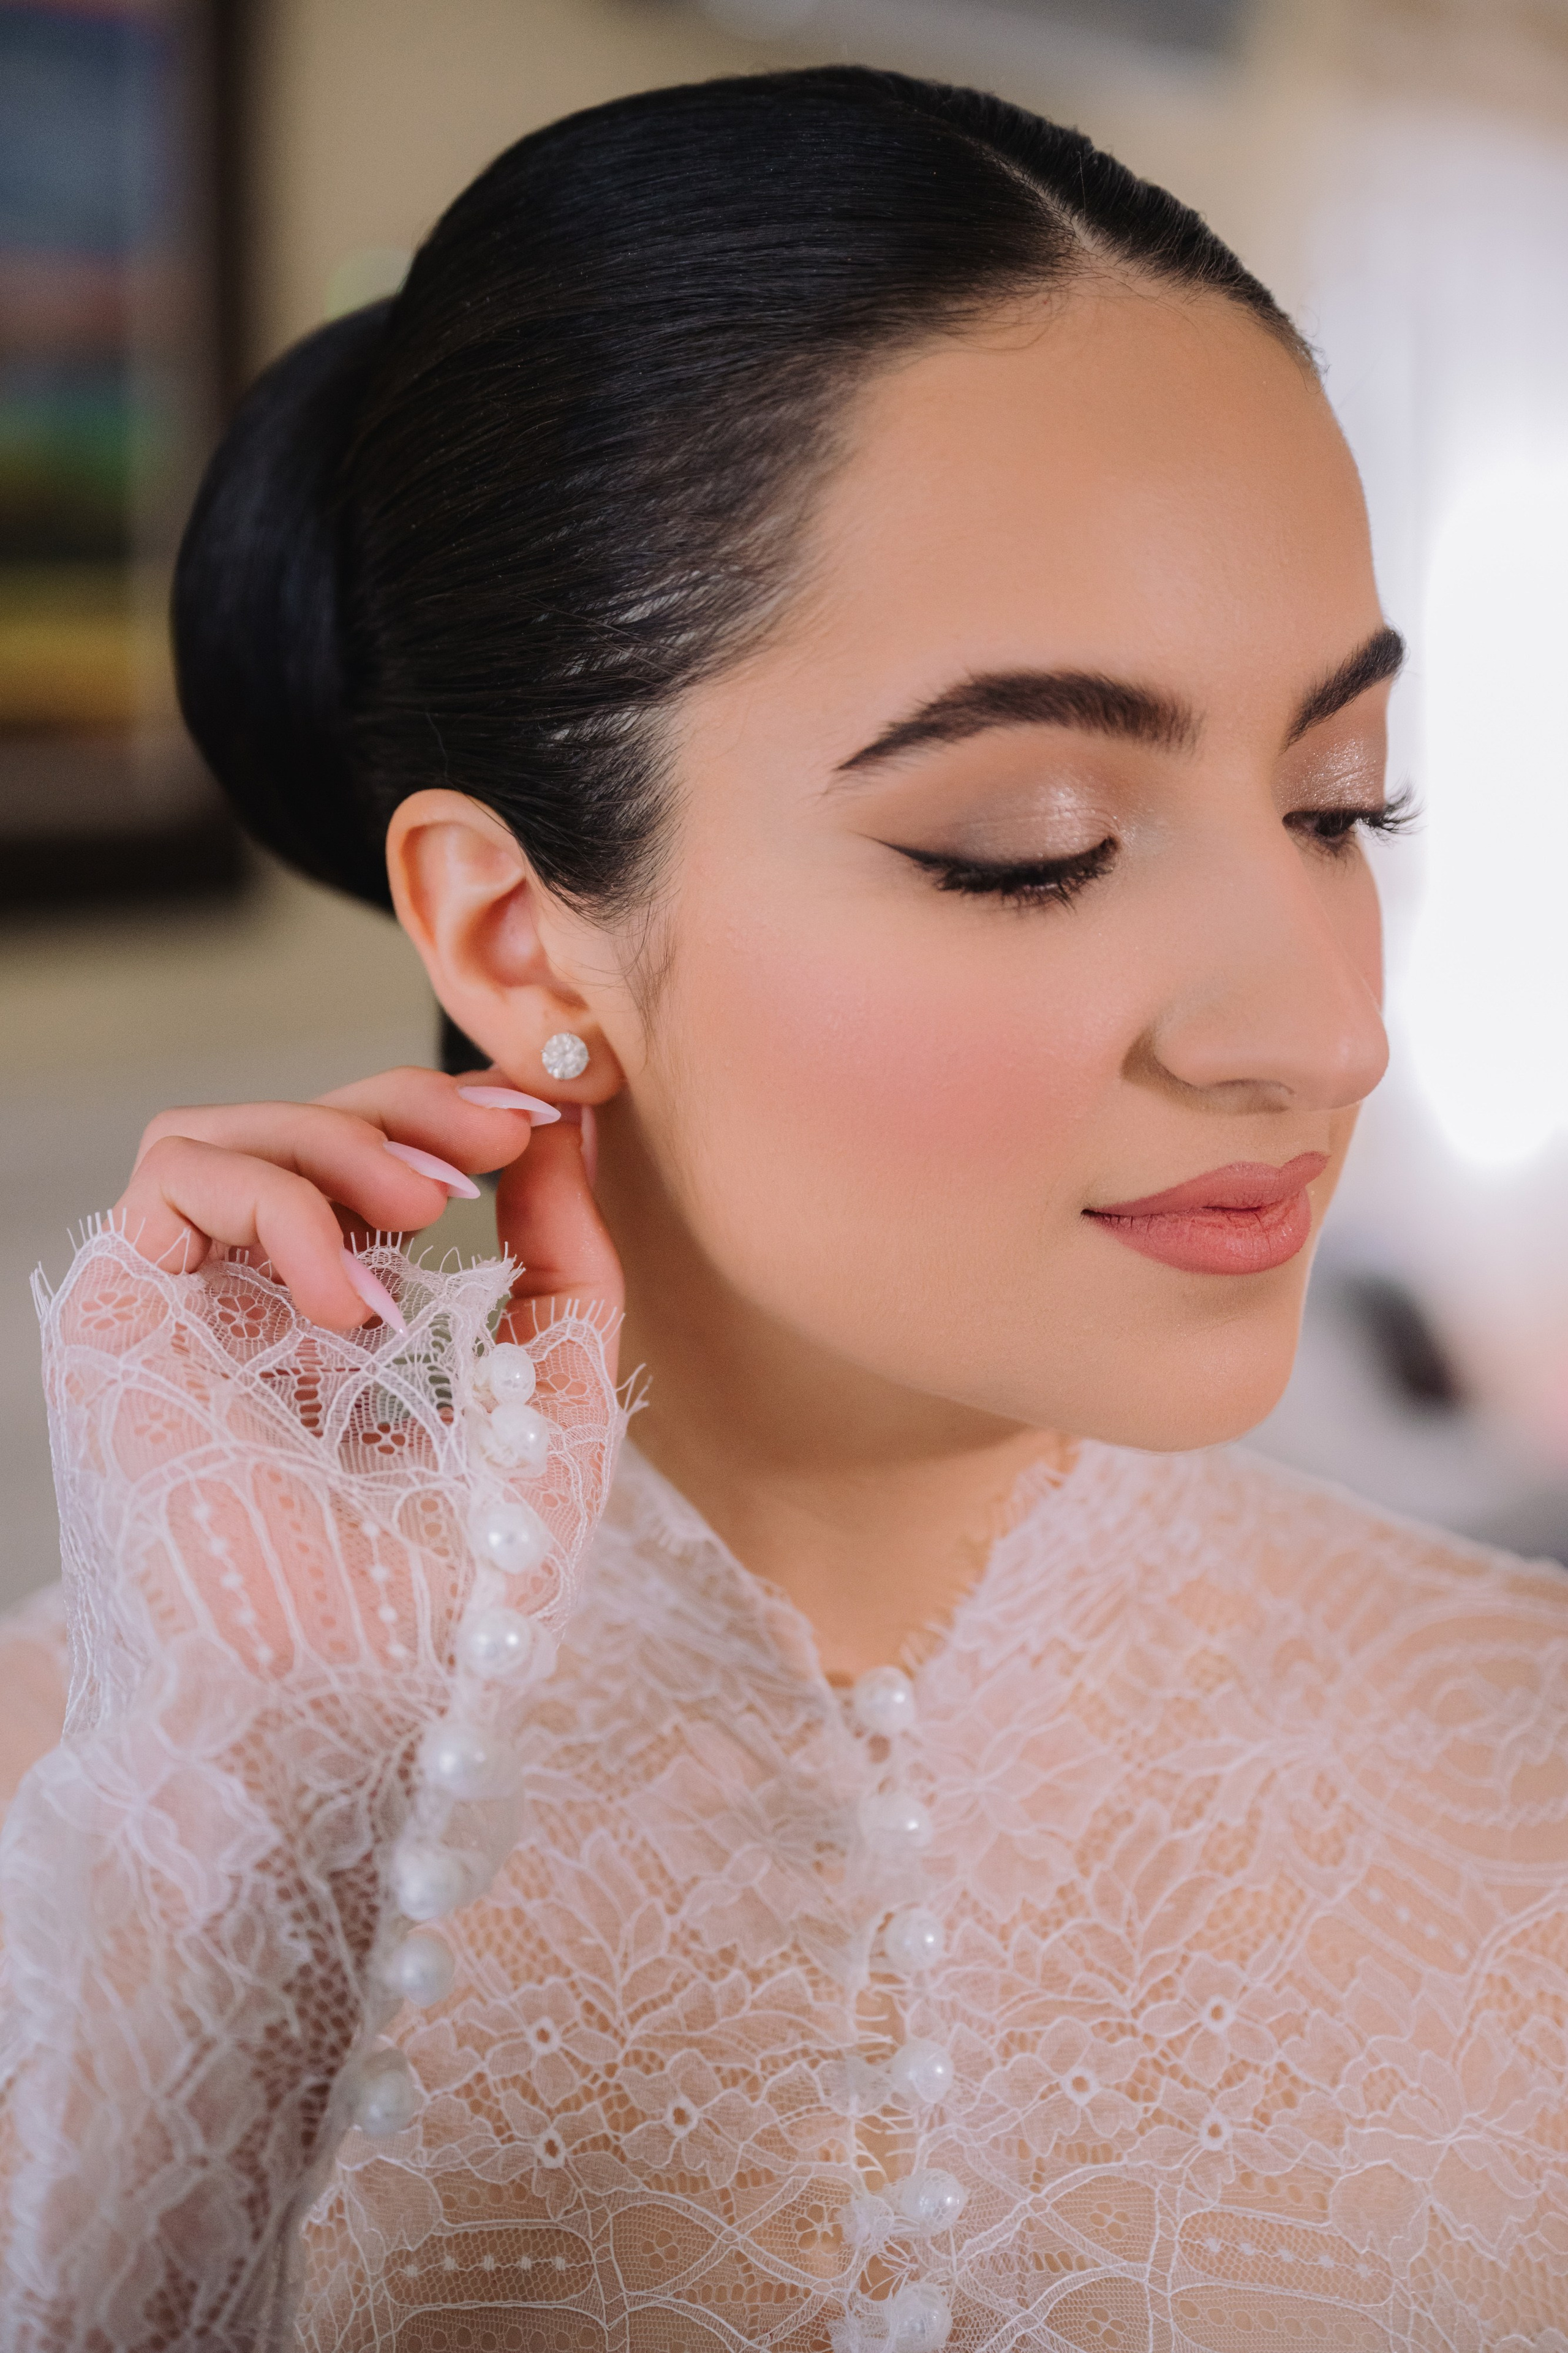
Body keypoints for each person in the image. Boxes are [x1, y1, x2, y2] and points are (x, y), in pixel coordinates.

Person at [1, 64, 1563, 2353]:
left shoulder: (1528, 1768)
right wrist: (245, 1862)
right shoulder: (86, 1795)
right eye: (1031, 838)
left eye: (1346, 803)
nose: (1321, 1032)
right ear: (516, 938)